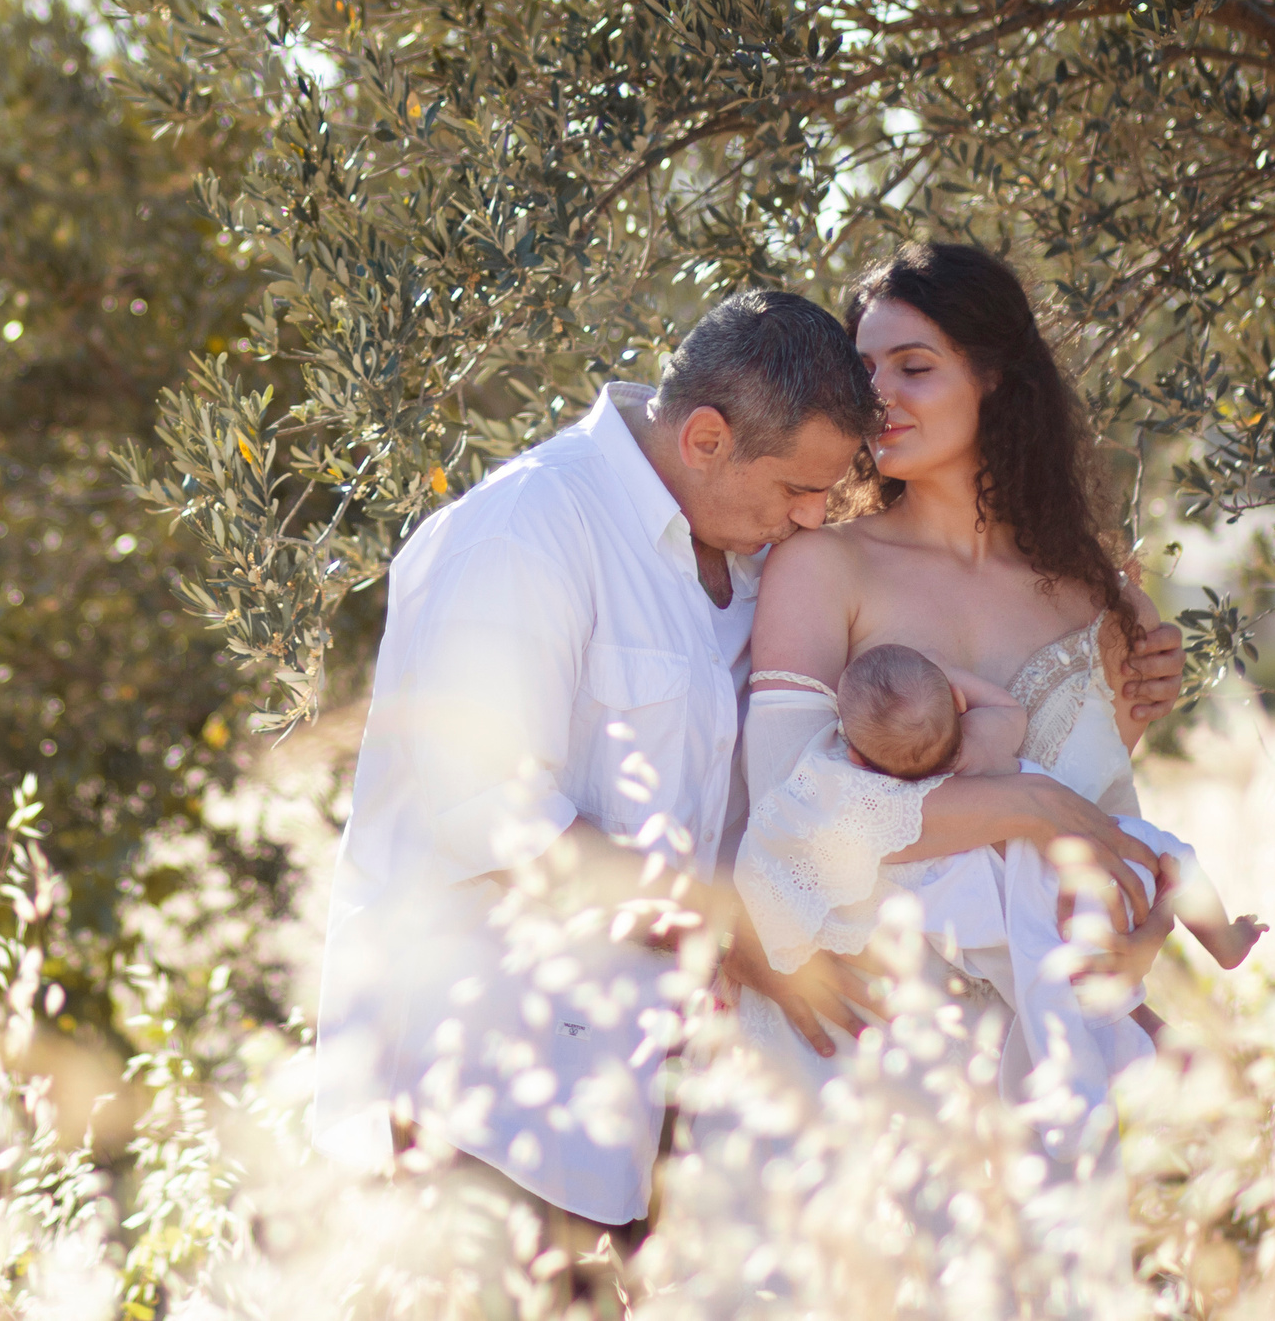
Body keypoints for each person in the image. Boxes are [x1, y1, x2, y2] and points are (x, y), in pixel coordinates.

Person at [311, 290, 878, 1287]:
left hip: (630, 1110)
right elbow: (494, 821)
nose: (809, 516)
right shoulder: (528, 529)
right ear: (705, 436)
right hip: (479, 1098)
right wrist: (732, 933)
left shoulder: (749, 565)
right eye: (795, 487)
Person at [726, 241, 1193, 1079]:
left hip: (1043, 1068)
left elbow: (1108, 837)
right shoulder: (823, 567)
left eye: (914, 367)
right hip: (856, 1048)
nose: (879, 398)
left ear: (996, 378)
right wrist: (1026, 800)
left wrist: (1146, 953)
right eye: (863, 370)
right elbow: (790, 823)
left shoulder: (1104, 600)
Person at [773, 640, 1263, 1155]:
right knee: (1175, 858)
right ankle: (1225, 942)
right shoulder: (984, 740)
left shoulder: (885, 802)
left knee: (1080, 996)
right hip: (1089, 870)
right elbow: (1009, 709)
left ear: (854, 755)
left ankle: (1158, 1042)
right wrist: (953, 676)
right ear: (959, 705)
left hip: (1012, 920)